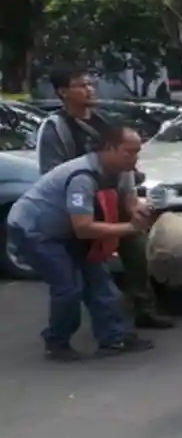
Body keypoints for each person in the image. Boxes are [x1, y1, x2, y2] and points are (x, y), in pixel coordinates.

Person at [36, 67, 173, 329]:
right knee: (85, 272)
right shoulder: (56, 128)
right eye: (80, 85)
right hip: (79, 206)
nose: (89, 90)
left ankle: (144, 306)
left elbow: (124, 168)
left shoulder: (103, 123)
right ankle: (98, 324)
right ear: (63, 92)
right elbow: (51, 174)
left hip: (112, 201)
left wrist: (133, 197)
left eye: (90, 84)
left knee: (137, 245)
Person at [7, 124, 157, 360]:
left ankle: (114, 338)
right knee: (68, 287)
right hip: (36, 230)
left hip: (67, 230)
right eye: (129, 152)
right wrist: (130, 228)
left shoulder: (123, 170)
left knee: (99, 280)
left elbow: (129, 199)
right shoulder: (82, 177)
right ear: (109, 148)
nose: (134, 158)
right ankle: (57, 342)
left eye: (137, 152)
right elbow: (84, 228)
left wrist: (140, 210)